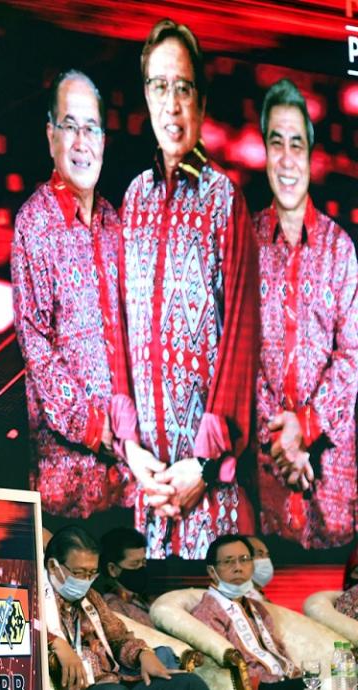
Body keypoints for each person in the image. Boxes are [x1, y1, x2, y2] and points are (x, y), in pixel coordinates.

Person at [120, 18, 259, 559]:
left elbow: (242, 342)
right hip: (149, 486)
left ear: (201, 100)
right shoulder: (133, 199)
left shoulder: (226, 200)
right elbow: (121, 333)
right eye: (159, 87)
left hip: (206, 488)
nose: (172, 105)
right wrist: (131, 450)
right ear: (146, 97)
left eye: (184, 88)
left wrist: (202, 466)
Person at [11, 69, 140, 519]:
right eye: (70, 126)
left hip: (128, 467)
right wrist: (96, 428)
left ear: (104, 139)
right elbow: (36, 346)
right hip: (69, 471)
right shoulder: (35, 221)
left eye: (91, 128)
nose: (81, 141)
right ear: (51, 137)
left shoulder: (114, 221)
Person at [254, 78, 358, 550]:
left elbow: (352, 358)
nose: (287, 157)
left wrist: (305, 429)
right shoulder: (246, 243)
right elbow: (237, 359)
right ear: (264, 152)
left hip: (330, 480)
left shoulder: (341, 249)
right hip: (266, 485)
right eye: (277, 142)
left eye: (297, 143)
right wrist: (282, 443)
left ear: (312, 155)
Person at [44, 526, 207, 690]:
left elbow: (118, 637)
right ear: (53, 566)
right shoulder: (36, 597)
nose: (86, 580)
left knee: (190, 683)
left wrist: (143, 653)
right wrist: (56, 642)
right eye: (79, 572)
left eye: (92, 573)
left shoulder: (91, 597)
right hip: (84, 686)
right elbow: (26, 632)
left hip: (117, 678)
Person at [192, 535, 301, 690]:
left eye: (244, 559)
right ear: (211, 571)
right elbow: (221, 666)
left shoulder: (257, 607)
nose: (238, 567)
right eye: (228, 561)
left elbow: (278, 649)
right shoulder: (207, 612)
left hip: (284, 681)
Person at [94, 528, 152, 628]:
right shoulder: (112, 608)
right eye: (134, 564)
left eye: (143, 562)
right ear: (112, 569)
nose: (141, 568)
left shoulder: (137, 599)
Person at [246, 536, 274, 601]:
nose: (266, 560)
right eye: (260, 554)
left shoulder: (260, 597)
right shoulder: (242, 599)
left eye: (267, 555)